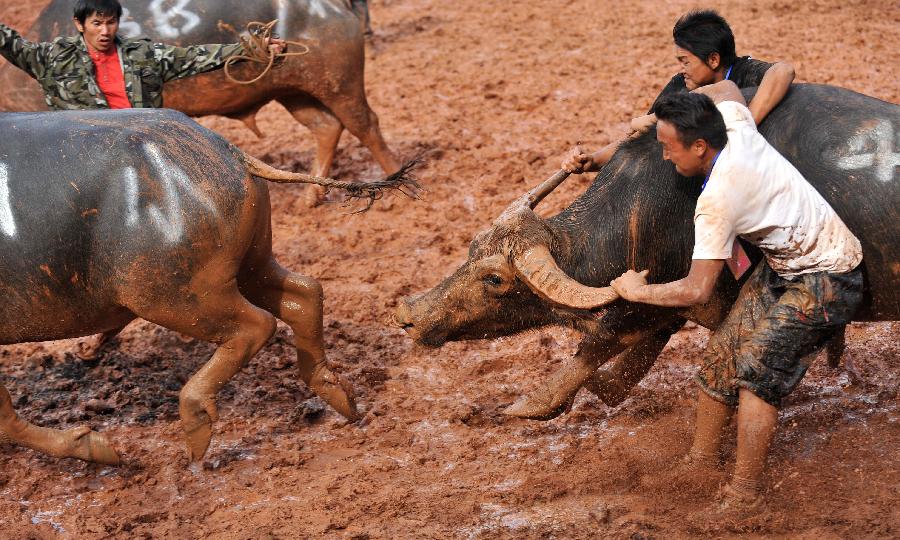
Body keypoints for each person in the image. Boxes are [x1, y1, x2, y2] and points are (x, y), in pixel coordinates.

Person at [609, 84, 863, 514]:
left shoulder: (717, 200)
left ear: (700, 146)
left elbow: (695, 289)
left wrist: (637, 291)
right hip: (786, 263)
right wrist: (658, 119)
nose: (666, 157)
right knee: (724, 350)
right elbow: (726, 87)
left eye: (669, 148)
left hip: (829, 275)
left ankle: (746, 495)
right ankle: (701, 462)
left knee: (755, 371)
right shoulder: (736, 126)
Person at [562, 9, 795, 175]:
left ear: (713, 59)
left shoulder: (742, 70)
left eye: (685, 61)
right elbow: (637, 138)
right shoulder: (681, 84)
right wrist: (593, 160)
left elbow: (783, 71)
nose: (681, 69)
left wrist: (746, 124)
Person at [0, 0, 285, 111]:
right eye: (97, 24)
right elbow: (11, 44)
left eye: (111, 22)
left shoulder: (143, 54)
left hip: (142, 144)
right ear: (80, 24)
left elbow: (193, 57)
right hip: (81, 151)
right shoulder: (53, 57)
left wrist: (252, 48)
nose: (105, 31)